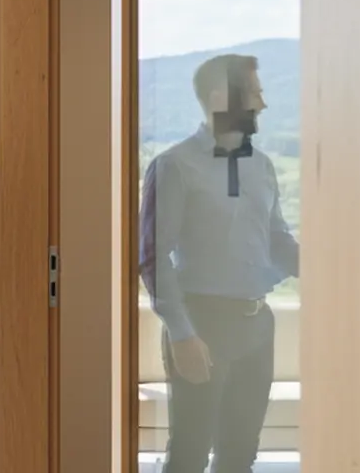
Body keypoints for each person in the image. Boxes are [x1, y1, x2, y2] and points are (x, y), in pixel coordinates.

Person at [139, 54, 299, 473]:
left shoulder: (262, 166)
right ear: (219, 97)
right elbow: (153, 259)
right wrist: (181, 333)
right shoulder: (174, 166)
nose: (262, 104)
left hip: (257, 325)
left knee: (240, 455)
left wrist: (340, 270)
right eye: (255, 93)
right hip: (201, 325)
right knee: (190, 455)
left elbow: (278, 241)